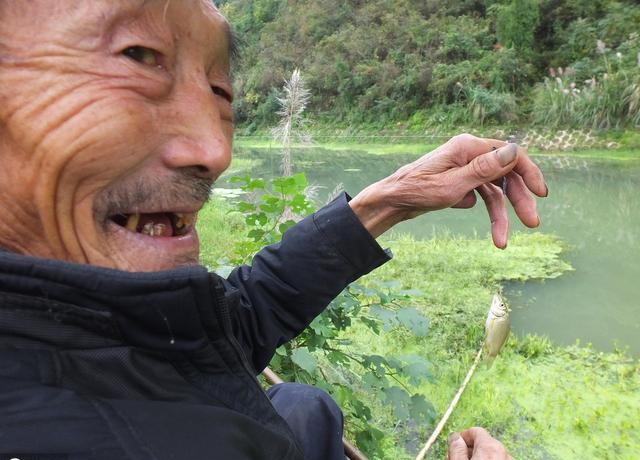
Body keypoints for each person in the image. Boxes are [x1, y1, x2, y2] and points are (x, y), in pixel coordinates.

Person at [0, 1, 546, 459]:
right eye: (139, 58)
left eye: (220, 90)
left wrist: (388, 200)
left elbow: (209, 337)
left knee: (304, 405)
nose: (216, 151)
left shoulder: (78, 322)